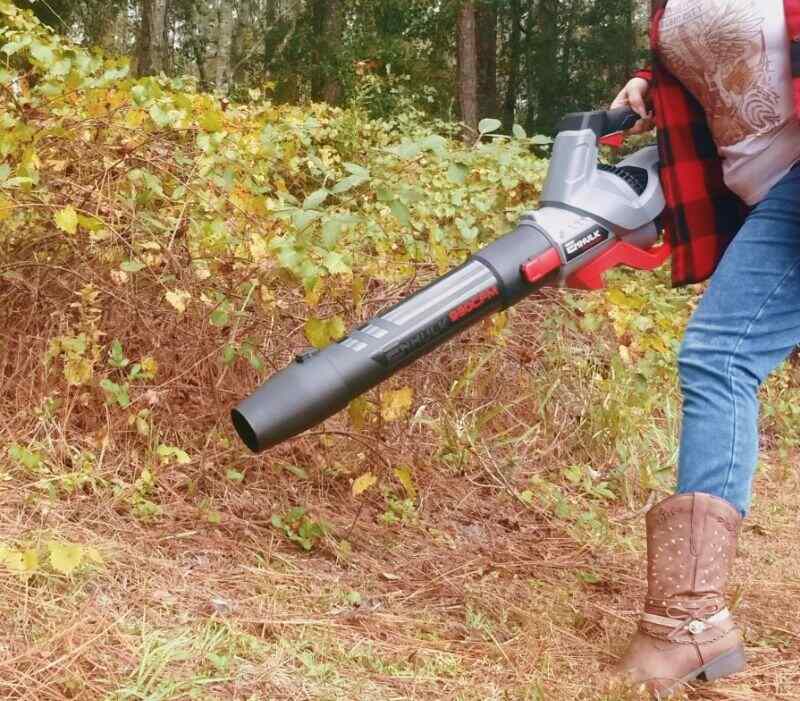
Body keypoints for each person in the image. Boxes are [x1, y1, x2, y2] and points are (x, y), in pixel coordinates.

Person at [606, 0, 800, 696]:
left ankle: (689, 623)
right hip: (765, 187)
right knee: (724, 358)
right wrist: (648, 79)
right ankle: (693, 624)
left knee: (721, 356)